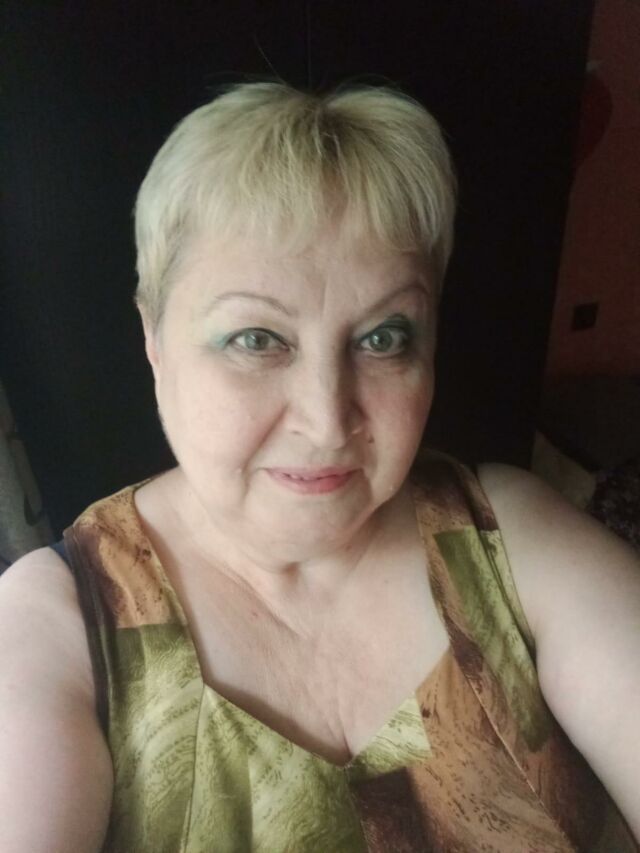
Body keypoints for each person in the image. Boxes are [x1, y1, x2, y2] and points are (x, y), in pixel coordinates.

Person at [0, 81, 638, 853]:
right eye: (256, 339)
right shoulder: (60, 619)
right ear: (155, 342)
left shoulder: (512, 539)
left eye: (382, 338)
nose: (327, 420)